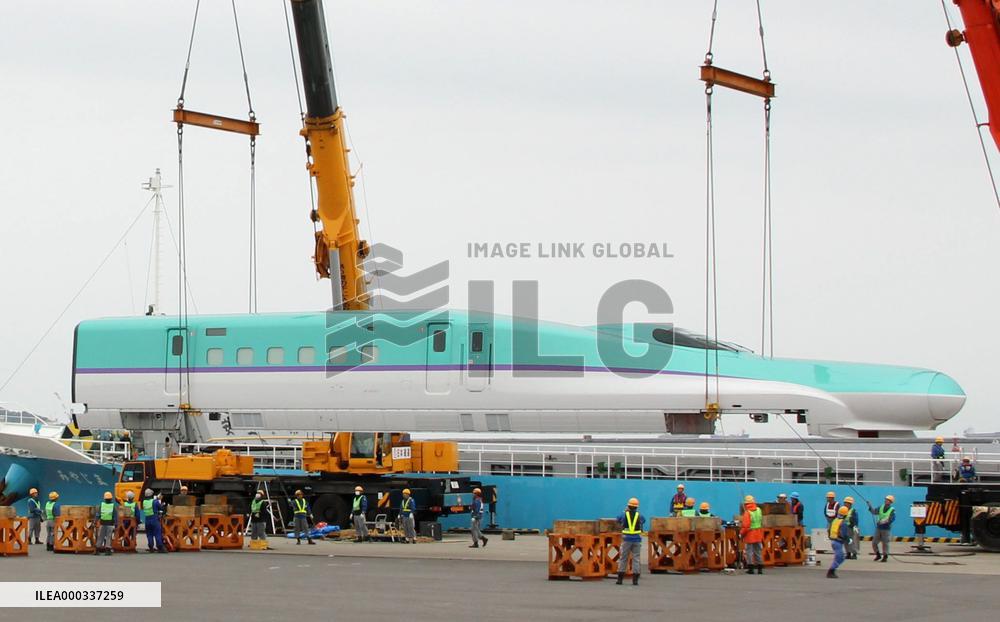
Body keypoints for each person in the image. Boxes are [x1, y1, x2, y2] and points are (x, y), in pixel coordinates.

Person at [616, 497, 644, 585]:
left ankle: (620, 579)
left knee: (623, 558)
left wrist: (624, 511)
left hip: (626, 539)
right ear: (637, 507)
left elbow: (618, 519)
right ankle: (635, 580)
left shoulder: (624, 514)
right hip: (637, 539)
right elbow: (643, 520)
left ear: (628, 506)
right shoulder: (639, 515)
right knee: (636, 558)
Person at [741, 495, 764, 575]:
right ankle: (760, 569)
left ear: (746, 504)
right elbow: (761, 521)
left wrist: (741, 534)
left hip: (750, 534)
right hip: (758, 533)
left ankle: (751, 569)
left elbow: (746, 526)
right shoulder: (759, 510)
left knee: (749, 552)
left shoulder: (747, 513)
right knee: (758, 551)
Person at [868, 494, 895, 562]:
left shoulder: (892, 510)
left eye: (888, 500)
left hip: (886, 529)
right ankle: (878, 555)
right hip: (879, 528)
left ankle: (885, 556)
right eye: (886, 499)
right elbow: (874, 512)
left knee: (885, 543)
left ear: (891, 502)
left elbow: (891, 519)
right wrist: (870, 506)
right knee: (874, 542)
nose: (886, 501)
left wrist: (883, 522)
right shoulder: (881, 507)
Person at [827, 506, 851, 578]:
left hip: (833, 541)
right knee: (839, 557)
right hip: (838, 542)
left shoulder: (835, 520)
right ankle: (831, 571)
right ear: (845, 515)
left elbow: (829, 530)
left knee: (840, 557)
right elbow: (844, 534)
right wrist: (848, 540)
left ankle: (832, 570)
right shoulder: (843, 523)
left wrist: (830, 536)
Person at [142, 489, 167, 553]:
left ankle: (151, 547)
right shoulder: (155, 502)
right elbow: (161, 508)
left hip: (147, 520)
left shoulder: (144, 502)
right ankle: (160, 547)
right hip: (154, 520)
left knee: (149, 534)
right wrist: (163, 504)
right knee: (157, 533)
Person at [94, 491, 116, 556]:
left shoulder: (102, 505)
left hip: (102, 523)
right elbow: (115, 515)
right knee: (109, 537)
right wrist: (116, 523)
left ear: (104, 498)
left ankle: (97, 550)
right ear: (111, 498)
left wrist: (95, 521)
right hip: (110, 524)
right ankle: (107, 551)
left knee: (100, 537)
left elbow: (98, 514)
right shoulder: (113, 506)